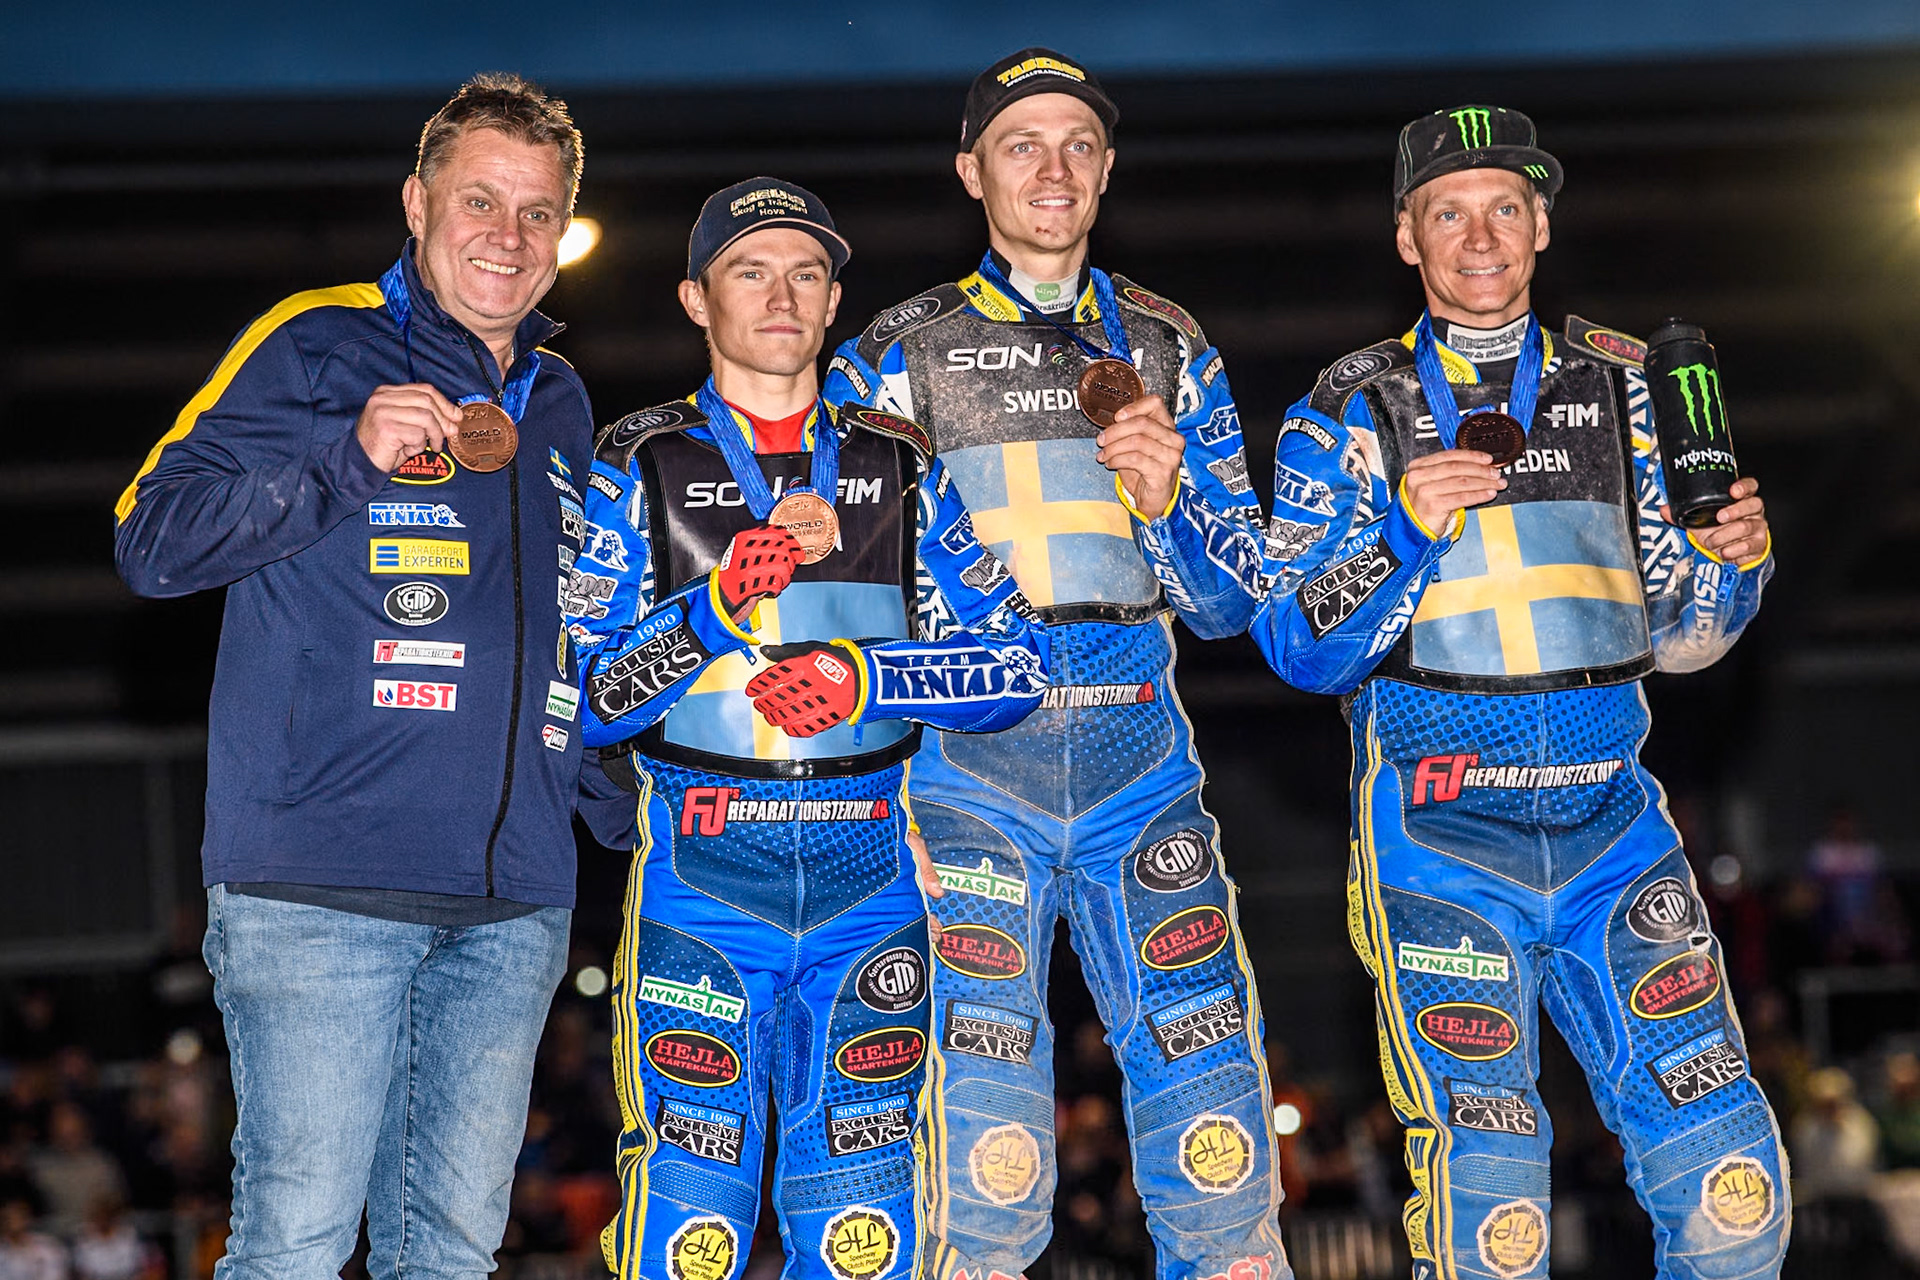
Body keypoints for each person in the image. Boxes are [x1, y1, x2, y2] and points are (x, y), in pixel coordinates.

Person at [1249, 104, 1787, 1278]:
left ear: (1542, 224)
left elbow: (1688, 639)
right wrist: (1400, 529)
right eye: (1450, 211)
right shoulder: (1348, 408)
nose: (1479, 235)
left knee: (1736, 1189)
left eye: (1504, 206)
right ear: (1408, 237)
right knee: (1495, 1217)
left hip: (1614, 833)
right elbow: (1290, 641)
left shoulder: (1633, 387)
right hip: (1439, 837)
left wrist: (1732, 565)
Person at [112, 74, 593, 1280]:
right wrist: (341, 457)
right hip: (318, 886)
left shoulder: (565, 401)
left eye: (538, 213)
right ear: (417, 203)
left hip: (513, 905)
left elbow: (569, 640)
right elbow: (149, 538)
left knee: (452, 1256)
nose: (508, 234)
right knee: (295, 1246)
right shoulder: (314, 341)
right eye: (479, 200)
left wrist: (623, 804)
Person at [823, 48, 1290, 1280]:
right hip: (968, 766)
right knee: (984, 1127)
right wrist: (979, 660)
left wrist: (1172, 499)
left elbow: (1239, 600)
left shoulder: (1174, 339)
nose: (1054, 166)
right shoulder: (894, 347)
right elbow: (848, 592)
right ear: (971, 169)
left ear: (1109, 170)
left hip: (1142, 750)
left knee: (1214, 1104)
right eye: (1023, 143)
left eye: (1080, 143)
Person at [567, 178, 1050, 1280]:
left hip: (873, 871)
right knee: (689, 1216)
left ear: (835, 300)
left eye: (806, 272)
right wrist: (712, 610)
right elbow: (584, 696)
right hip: (703, 866)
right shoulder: (637, 462)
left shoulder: (901, 463)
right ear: (697, 298)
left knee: (863, 1222)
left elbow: (1019, 665)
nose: (781, 294)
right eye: (750, 270)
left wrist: (863, 673)